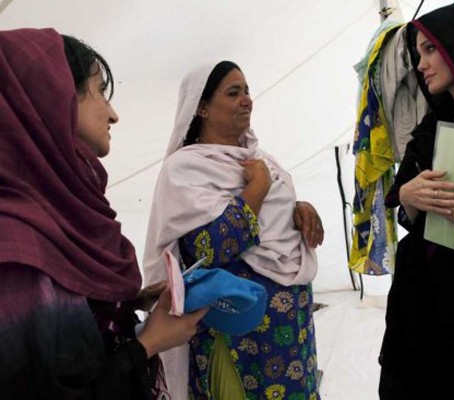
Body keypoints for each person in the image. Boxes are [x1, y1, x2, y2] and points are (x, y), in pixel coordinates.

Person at [0, 28, 206, 399]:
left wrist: (124, 304)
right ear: (52, 98)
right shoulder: (16, 248)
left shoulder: (60, 208)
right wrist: (148, 344)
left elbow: (67, 331)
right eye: (98, 91)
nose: (113, 115)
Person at [143, 61, 324, 400]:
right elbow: (208, 249)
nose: (247, 100)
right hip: (237, 337)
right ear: (202, 107)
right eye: (233, 92)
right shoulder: (186, 169)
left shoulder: (262, 161)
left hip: (291, 327)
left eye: (247, 91)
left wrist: (300, 209)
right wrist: (256, 189)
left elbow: (273, 219)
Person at [378, 2, 454, 399]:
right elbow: (406, 205)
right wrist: (409, 195)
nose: (421, 64)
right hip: (428, 309)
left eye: (431, 49)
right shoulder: (433, 126)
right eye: (418, 52)